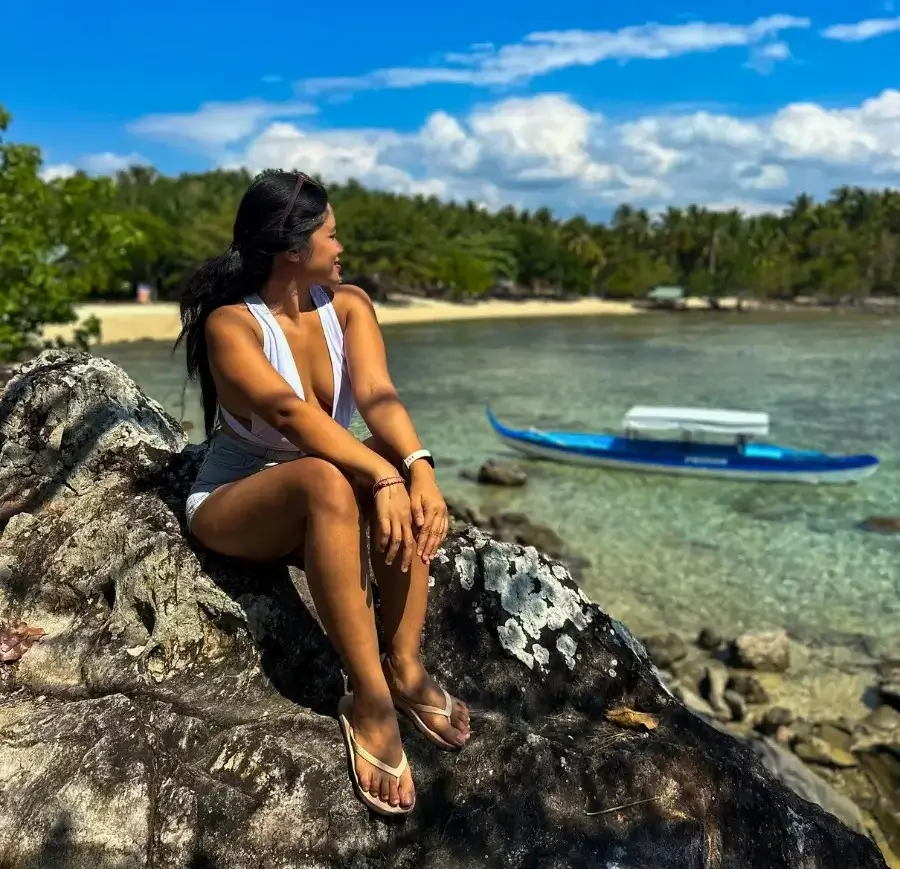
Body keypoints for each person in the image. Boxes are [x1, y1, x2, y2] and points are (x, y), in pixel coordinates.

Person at [175, 170, 470, 817]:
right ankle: (369, 699)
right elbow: (290, 415)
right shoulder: (234, 325)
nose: (343, 248)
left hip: (322, 490)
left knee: (380, 465)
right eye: (332, 235)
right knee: (331, 475)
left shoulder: (350, 306)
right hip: (237, 498)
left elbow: (379, 398)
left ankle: (404, 662)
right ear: (292, 249)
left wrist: (415, 468)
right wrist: (380, 477)